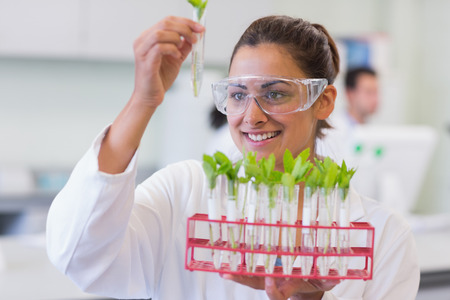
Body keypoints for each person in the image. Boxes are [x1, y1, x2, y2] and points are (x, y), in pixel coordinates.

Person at [46, 15, 420, 300]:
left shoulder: (383, 236)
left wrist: (309, 297)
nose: (251, 116)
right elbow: (78, 256)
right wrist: (143, 102)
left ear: (322, 102)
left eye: (274, 94)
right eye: (238, 94)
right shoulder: (184, 194)